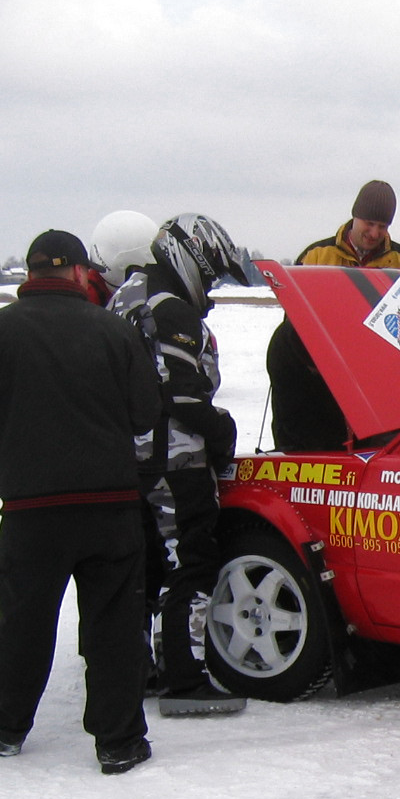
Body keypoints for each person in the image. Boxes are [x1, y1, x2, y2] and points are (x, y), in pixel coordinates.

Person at [0, 229, 161, 774]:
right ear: (77, 273)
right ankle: (118, 741)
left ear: (29, 272)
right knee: (113, 624)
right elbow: (144, 413)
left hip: (31, 510)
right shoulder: (115, 331)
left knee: (24, 619)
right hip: (110, 504)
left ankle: (3, 724)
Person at [109, 214, 248, 717]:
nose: (209, 287)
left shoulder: (126, 297)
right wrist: (223, 431)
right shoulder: (169, 311)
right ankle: (186, 678)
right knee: (190, 563)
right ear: (188, 257)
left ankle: (140, 666)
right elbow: (184, 395)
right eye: (209, 274)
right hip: (174, 461)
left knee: (144, 568)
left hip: (128, 459)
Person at [266, 180, 400, 450]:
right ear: (355, 217)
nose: (374, 233)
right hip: (321, 377)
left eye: (382, 226)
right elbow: (294, 323)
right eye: (369, 223)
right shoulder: (316, 256)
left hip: (380, 381)